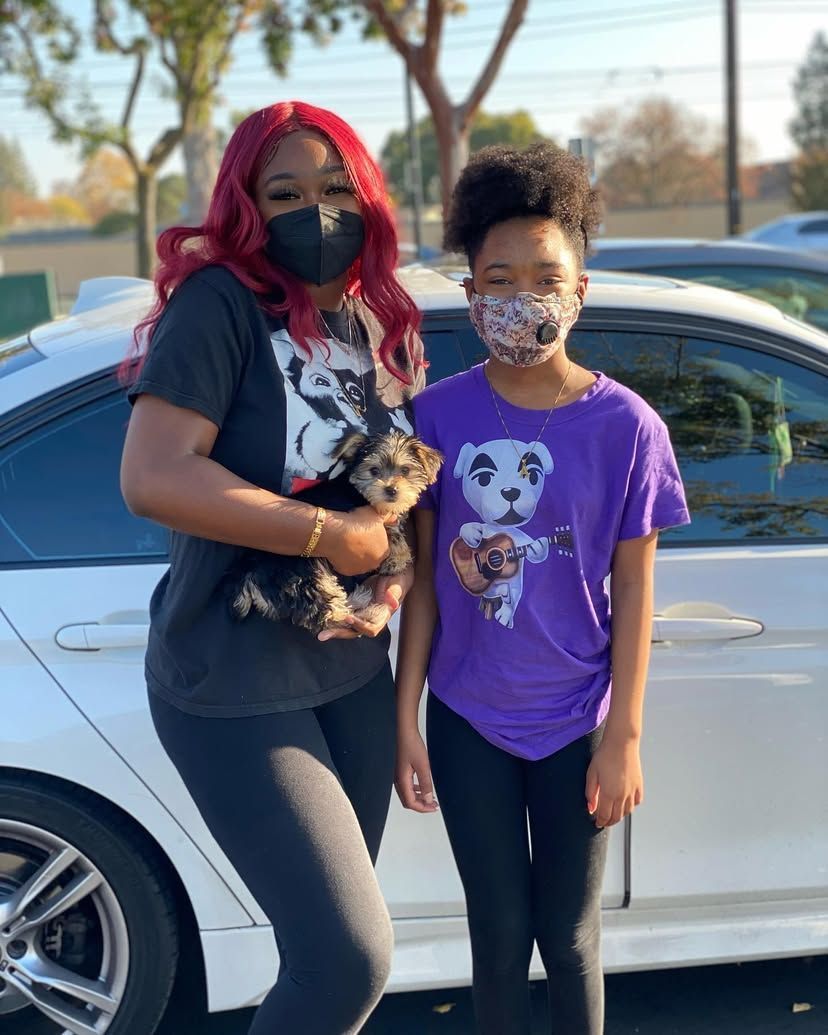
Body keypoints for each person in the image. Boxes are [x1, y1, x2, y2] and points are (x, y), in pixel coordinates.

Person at [121, 101, 425, 1035]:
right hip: (235, 675)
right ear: (245, 206)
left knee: (324, 966)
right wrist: (329, 541)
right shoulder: (219, 306)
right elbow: (154, 475)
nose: (316, 210)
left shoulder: (374, 321)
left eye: (337, 188)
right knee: (348, 961)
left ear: (368, 196)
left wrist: (389, 585)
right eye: (284, 192)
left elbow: (391, 495)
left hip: (348, 673)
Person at [394, 143, 690, 1035]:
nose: (523, 295)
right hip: (468, 719)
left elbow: (635, 589)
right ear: (471, 292)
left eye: (545, 274)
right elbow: (422, 587)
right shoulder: (435, 416)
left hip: (578, 723)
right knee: (498, 934)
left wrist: (623, 737)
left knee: (567, 936)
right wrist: (404, 716)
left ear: (581, 287)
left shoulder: (627, 426)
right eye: (499, 276)